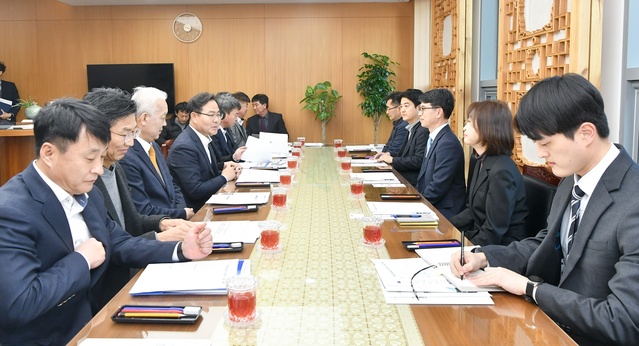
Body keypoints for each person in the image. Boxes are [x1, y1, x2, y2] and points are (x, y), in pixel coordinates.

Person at [0, 98, 212, 345]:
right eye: (90, 159)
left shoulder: (87, 192)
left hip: (96, 323)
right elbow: (19, 303)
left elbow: (118, 242)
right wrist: (80, 260)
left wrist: (180, 250)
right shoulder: (11, 211)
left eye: (101, 158)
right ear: (49, 153)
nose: (99, 170)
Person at [451, 74, 639, 345]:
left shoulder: (632, 200)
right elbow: (548, 242)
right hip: (547, 328)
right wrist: (483, 257)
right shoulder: (571, 180)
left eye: (546, 143)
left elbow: (623, 321)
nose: (540, 153)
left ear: (586, 133)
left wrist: (531, 289)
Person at [83, 87, 196, 308]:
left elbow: (128, 221)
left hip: (133, 271)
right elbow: (109, 244)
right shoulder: (85, 181)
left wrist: (162, 222)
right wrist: (162, 239)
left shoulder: (115, 168)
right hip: (110, 290)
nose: (131, 142)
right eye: (126, 134)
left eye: (133, 133)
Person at [449, 100, 527, 246]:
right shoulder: (478, 160)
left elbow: (494, 230)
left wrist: (467, 251)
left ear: (488, 127)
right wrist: (446, 228)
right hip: (480, 235)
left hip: (502, 248)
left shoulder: (502, 171)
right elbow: (472, 210)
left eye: (470, 123)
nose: (464, 128)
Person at [119, 87, 194, 220]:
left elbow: (172, 185)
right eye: (162, 117)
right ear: (144, 118)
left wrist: (181, 211)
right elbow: (142, 209)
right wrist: (180, 214)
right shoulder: (126, 156)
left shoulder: (154, 145)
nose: (165, 123)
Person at [168, 92, 240, 211]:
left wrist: (224, 165)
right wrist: (224, 177)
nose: (217, 120)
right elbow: (196, 190)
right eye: (211, 115)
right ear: (194, 116)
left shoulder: (204, 136)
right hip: (198, 211)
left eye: (218, 114)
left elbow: (204, 168)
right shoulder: (184, 147)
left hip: (211, 202)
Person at [414, 88, 466, 219]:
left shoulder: (447, 143)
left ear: (438, 112)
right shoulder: (434, 137)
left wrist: (416, 205)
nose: (420, 114)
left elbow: (438, 186)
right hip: (433, 203)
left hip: (444, 210)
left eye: (423, 109)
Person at [377, 89, 429, 186]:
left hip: (412, 184)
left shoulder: (423, 130)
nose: (402, 110)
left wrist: (392, 160)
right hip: (404, 178)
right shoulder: (411, 128)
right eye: (401, 107)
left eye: (406, 106)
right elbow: (404, 156)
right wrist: (392, 166)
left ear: (419, 108)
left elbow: (418, 160)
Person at [212, 92, 247, 161]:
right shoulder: (213, 133)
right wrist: (233, 157)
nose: (236, 119)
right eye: (235, 115)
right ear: (224, 114)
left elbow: (234, 149)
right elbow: (217, 161)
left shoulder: (227, 129)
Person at [374, 92, 408, 158]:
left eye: (389, 108)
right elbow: (388, 146)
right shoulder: (398, 123)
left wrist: (382, 156)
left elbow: (395, 151)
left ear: (399, 108)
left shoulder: (403, 125)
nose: (387, 112)